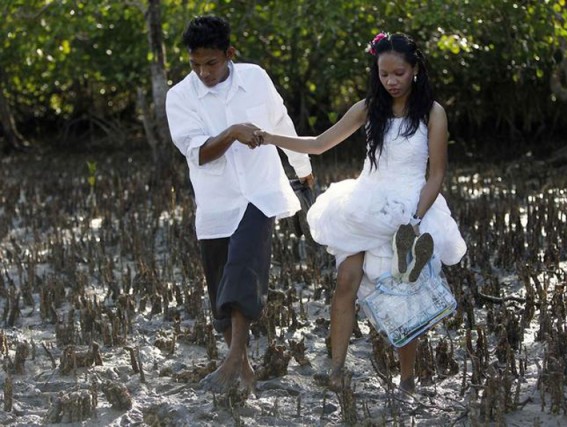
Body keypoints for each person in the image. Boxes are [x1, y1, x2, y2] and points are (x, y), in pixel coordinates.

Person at [254, 32, 466, 393]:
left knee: (404, 291)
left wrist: (414, 219)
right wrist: (270, 138)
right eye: (384, 74)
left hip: (409, 206)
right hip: (365, 201)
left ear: (415, 69)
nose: (391, 81)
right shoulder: (369, 108)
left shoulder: (433, 113)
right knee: (346, 281)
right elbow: (320, 144)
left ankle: (408, 379)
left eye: (398, 73)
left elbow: (437, 174)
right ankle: (336, 370)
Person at [165, 15, 314, 393]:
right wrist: (233, 132)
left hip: (260, 194)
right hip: (216, 203)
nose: (204, 72)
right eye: (195, 64)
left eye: (211, 63)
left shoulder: (256, 78)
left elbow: (282, 123)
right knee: (220, 286)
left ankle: (231, 360)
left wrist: (303, 169)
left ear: (230, 54)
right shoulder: (180, 96)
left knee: (244, 269)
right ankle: (243, 369)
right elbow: (198, 153)